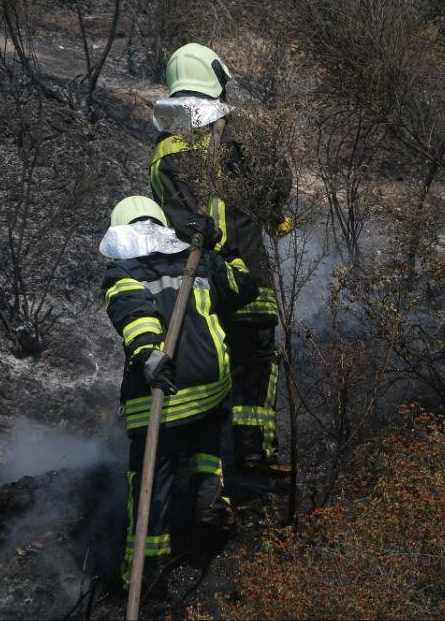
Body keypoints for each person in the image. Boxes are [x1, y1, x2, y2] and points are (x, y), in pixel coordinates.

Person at [149, 42, 293, 472]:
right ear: (215, 81)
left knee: (208, 369)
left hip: (192, 285)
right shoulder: (236, 137)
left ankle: (206, 473)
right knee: (255, 363)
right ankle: (255, 456)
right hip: (247, 273)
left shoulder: (163, 146)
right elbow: (277, 183)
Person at [99, 195, 255, 588]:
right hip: (210, 382)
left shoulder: (122, 272)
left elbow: (134, 313)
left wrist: (149, 353)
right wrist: (220, 251)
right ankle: (209, 500)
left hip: (161, 389)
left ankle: (146, 571)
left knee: (152, 476)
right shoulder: (196, 260)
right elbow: (244, 287)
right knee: (207, 439)